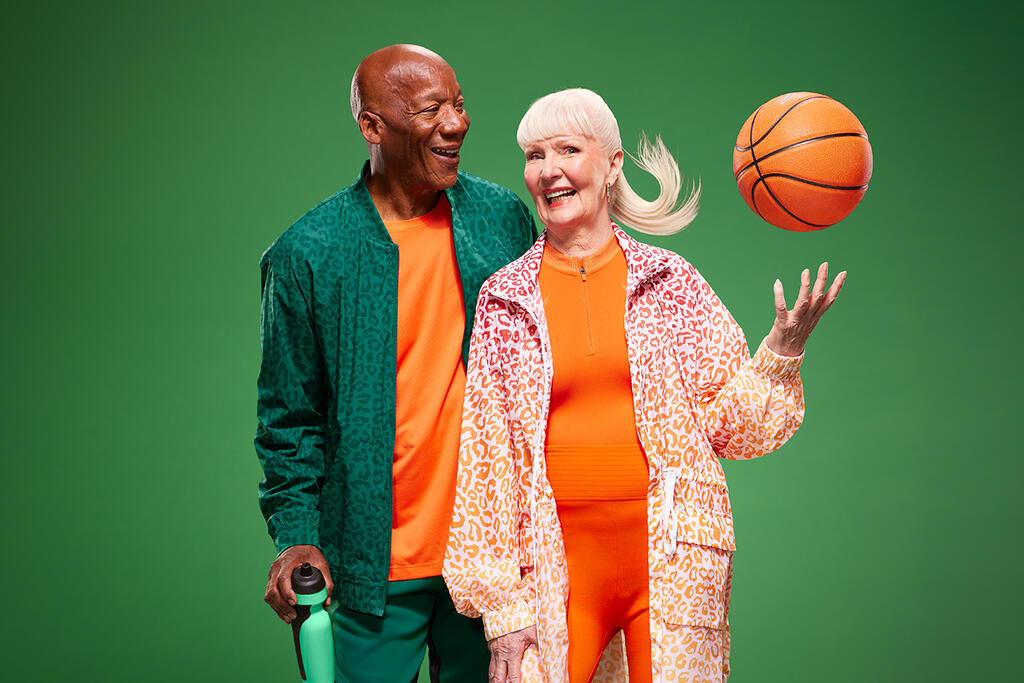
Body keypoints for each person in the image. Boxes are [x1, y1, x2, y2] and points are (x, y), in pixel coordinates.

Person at [443, 88, 845, 683]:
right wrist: (501, 605)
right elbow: (486, 462)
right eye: (533, 155)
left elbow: (737, 430)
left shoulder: (673, 282)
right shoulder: (504, 299)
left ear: (611, 165)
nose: (547, 170)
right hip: (551, 570)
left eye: (567, 150)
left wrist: (783, 351)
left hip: (674, 564)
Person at [255, 44, 536, 683]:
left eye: (459, 104)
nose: (457, 123)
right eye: (431, 109)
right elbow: (288, 424)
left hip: (493, 565)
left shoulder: (502, 221)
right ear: (372, 126)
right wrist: (298, 538)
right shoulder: (307, 255)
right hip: (368, 571)